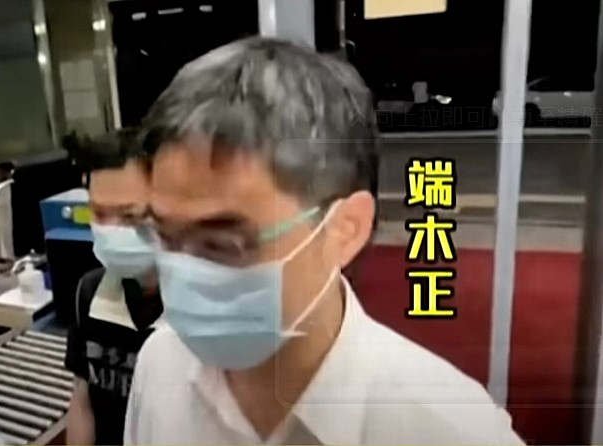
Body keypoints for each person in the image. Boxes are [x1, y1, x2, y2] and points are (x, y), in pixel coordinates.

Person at [124, 37, 524, 445]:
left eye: (221, 244)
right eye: (163, 235)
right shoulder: (160, 369)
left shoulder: (452, 432)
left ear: (345, 229)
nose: (184, 273)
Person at [64, 129, 162, 445]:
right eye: (99, 213)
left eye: (130, 216)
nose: (111, 230)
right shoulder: (90, 293)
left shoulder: (206, 312)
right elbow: (83, 403)